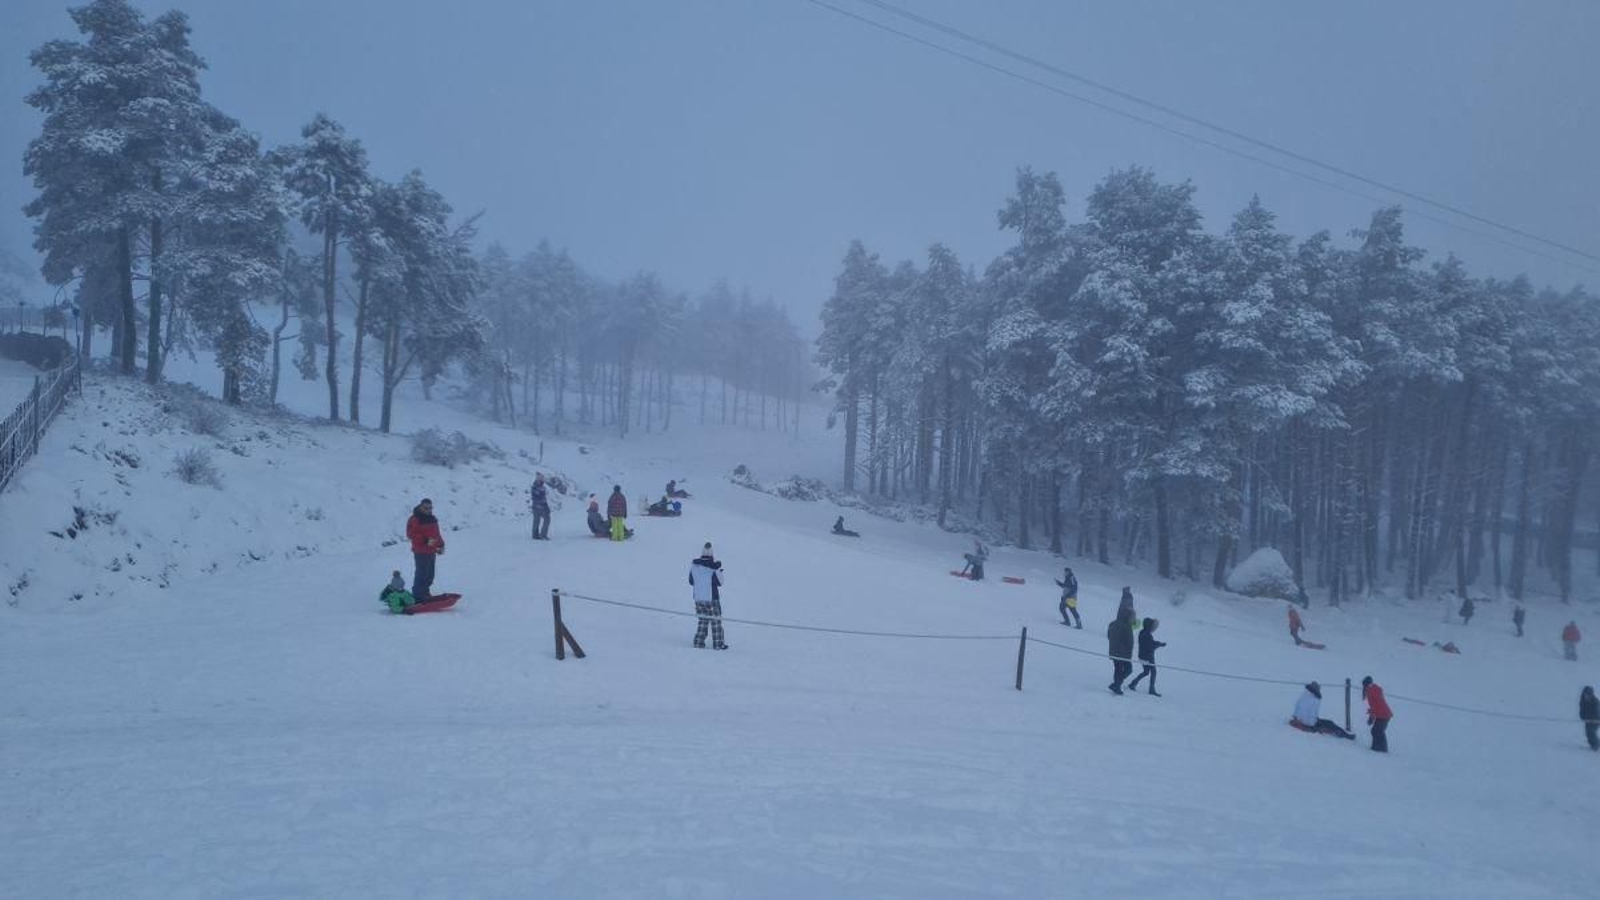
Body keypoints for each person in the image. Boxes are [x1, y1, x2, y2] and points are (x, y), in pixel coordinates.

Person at [689, 542, 727, 650]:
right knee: (716, 621)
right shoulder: (712, 568)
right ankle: (718, 644)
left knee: (703, 620)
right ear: (711, 556)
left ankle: (698, 642)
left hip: (698, 598)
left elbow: (691, 581)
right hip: (712, 598)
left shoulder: (694, 567)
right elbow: (720, 582)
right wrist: (718, 571)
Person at [405, 498, 444, 603]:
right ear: (421, 507)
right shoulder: (415, 519)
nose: (428, 510)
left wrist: (441, 545)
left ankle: (425, 593)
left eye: (430, 508)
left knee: (430, 574)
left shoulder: (432, 519)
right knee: (421, 574)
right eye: (425, 507)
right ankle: (418, 596)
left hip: (431, 551)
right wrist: (426, 540)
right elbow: (411, 534)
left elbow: (436, 534)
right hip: (420, 551)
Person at [1127, 617, 1166, 696]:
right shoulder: (1147, 635)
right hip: (1148, 657)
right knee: (1153, 672)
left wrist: (1158, 643)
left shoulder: (1142, 632)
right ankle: (1151, 689)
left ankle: (1133, 683)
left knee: (1146, 672)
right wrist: (1159, 644)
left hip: (1142, 656)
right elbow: (1151, 645)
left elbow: (1150, 643)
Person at [1107, 606, 1136, 695]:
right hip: (1123, 653)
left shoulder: (1112, 623)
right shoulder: (1127, 626)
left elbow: (1109, 636)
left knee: (1117, 669)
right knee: (1128, 669)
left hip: (1113, 651)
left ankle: (1116, 685)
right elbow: (1129, 641)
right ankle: (1116, 685)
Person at [1362, 676, 1393, 753]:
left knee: (1377, 731)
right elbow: (1377, 704)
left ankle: (1379, 749)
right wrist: (1371, 712)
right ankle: (1380, 748)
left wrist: (1371, 718)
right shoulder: (1375, 689)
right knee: (1377, 731)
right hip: (1384, 714)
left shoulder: (1370, 691)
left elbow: (1374, 706)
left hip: (1383, 715)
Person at [530, 473, 551, 541]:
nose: (542, 481)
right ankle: (542, 535)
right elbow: (539, 498)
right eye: (541, 479)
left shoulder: (537, 487)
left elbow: (541, 498)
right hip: (539, 507)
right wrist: (544, 506)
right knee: (546, 519)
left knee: (537, 520)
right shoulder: (536, 487)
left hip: (537, 506)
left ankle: (535, 535)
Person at [1580, 686, 1599, 751]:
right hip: (1588, 720)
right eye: (1585, 694)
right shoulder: (1582, 701)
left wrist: (1594, 719)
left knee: (1591, 731)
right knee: (1588, 733)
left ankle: (1596, 745)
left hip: (1597, 720)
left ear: (1591, 695)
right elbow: (1582, 711)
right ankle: (1593, 744)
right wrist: (1583, 717)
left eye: (1588, 695)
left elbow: (1597, 712)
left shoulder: (1595, 702)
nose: (1586, 696)